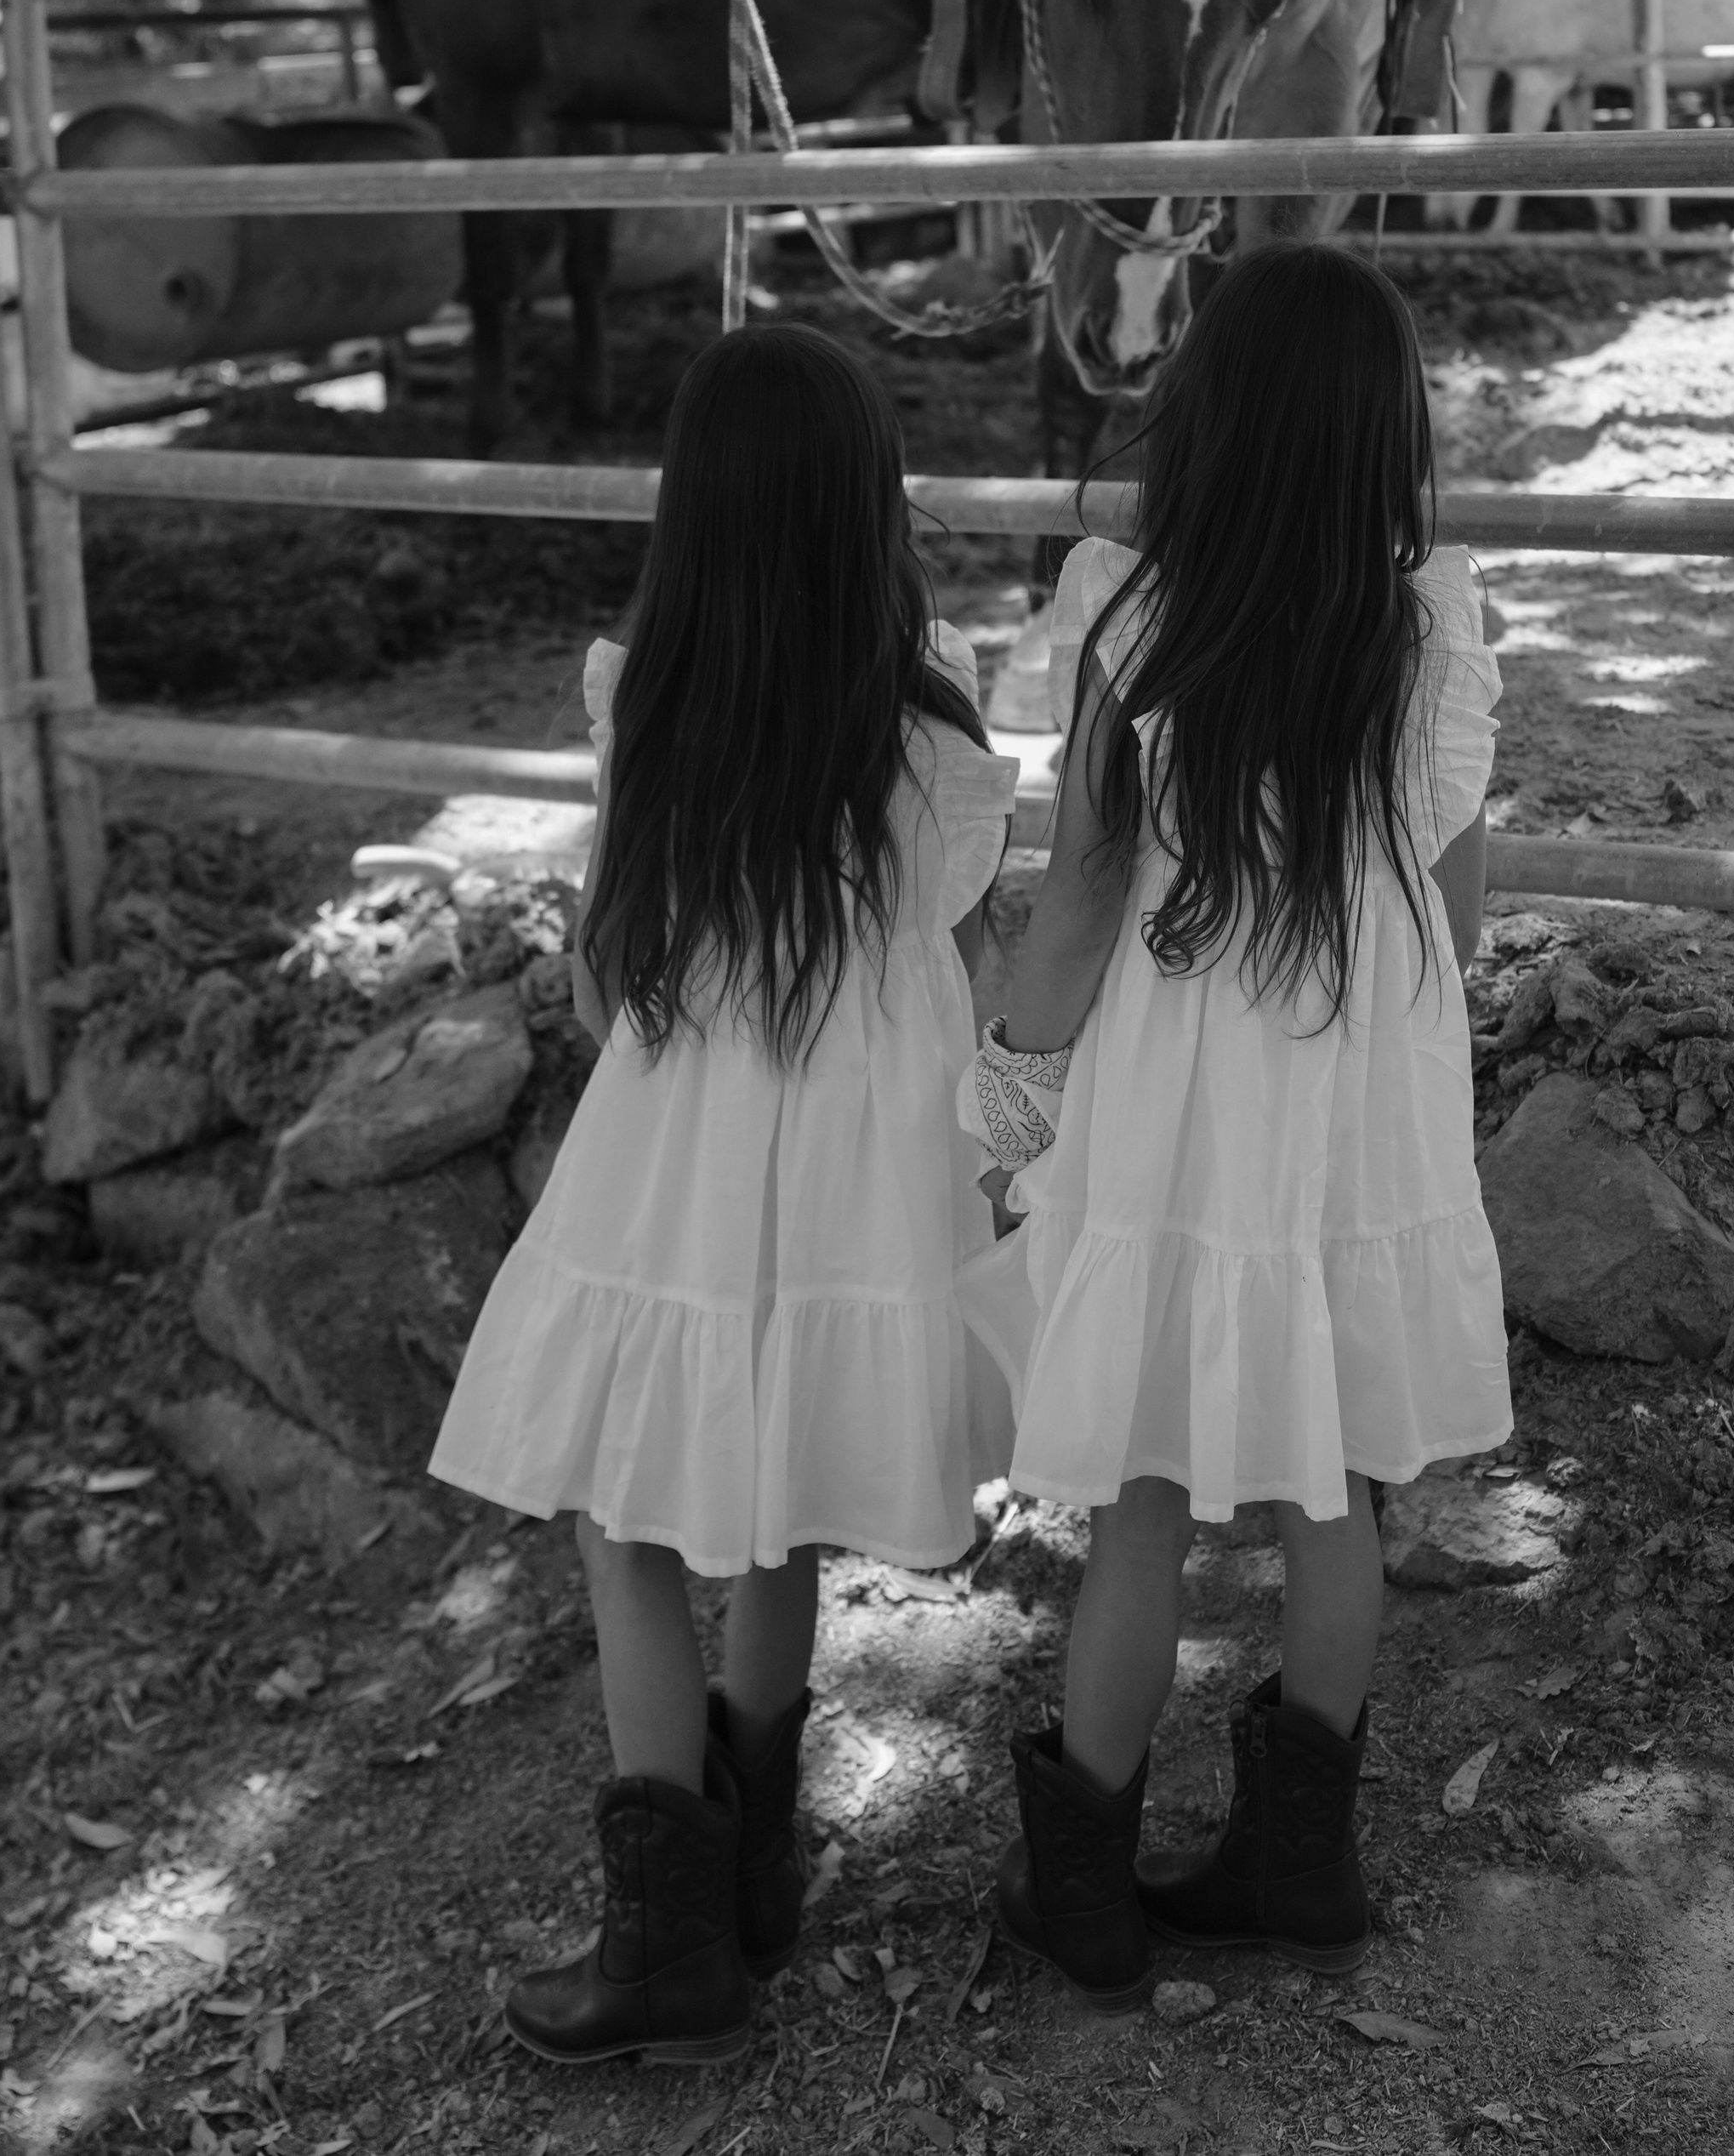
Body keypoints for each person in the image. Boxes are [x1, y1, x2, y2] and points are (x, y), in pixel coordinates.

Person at [431, 324, 1017, 2067]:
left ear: (691, 513)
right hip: (862, 1179)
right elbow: (971, 974)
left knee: (625, 1521)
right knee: (777, 1514)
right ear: (870, 510)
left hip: (674, 1160)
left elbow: (610, 981)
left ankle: (665, 1943)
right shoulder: (932, 725)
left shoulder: (652, 699)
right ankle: (755, 1871)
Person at [958, 241, 1509, 2012]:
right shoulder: (1434, 624)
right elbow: (1455, 901)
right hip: (1353, 1086)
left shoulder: (1131, 614)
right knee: (1331, 1479)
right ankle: (1296, 1864)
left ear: (1207, 420)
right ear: (1379, 440)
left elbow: (1079, 894)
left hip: (1180, 1096)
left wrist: (1005, 1091)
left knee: (1139, 1496)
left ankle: (1087, 1891)